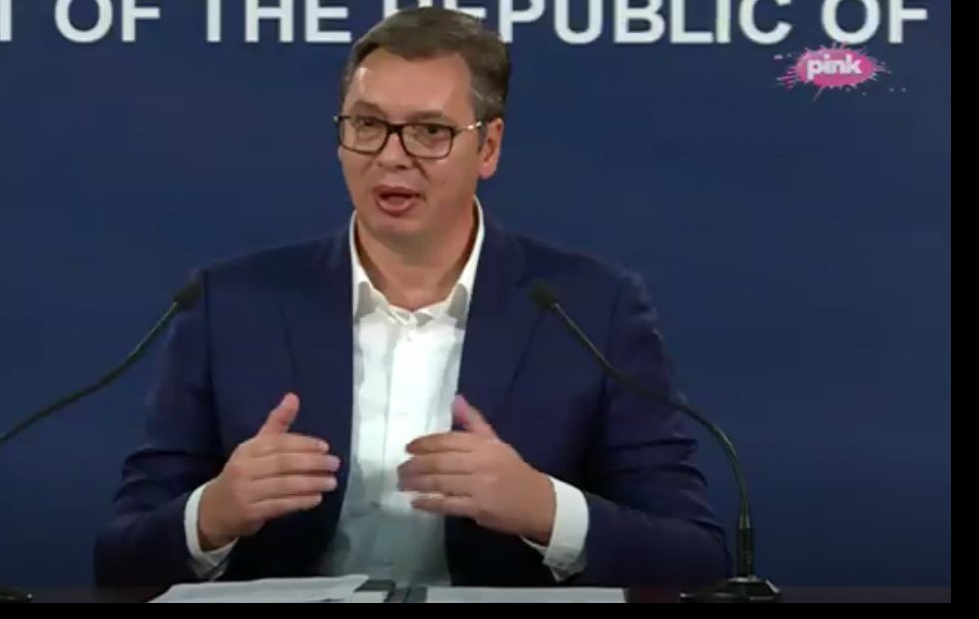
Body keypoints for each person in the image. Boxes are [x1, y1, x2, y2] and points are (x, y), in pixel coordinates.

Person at [93, 7, 730, 591]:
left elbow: (696, 560)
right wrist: (211, 515)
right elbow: (120, 562)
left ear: (488, 147)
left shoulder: (590, 308)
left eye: (429, 131)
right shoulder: (231, 304)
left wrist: (546, 509)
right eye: (368, 125)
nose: (392, 157)